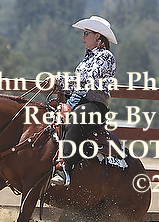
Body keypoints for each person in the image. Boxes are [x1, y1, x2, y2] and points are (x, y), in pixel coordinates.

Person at [50, 15, 118, 187]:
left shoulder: (106, 57)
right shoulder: (88, 58)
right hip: (78, 101)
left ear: (97, 36)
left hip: (95, 105)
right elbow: (78, 84)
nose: (83, 37)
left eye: (86, 33)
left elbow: (88, 80)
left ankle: (64, 169)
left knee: (75, 121)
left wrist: (59, 80)